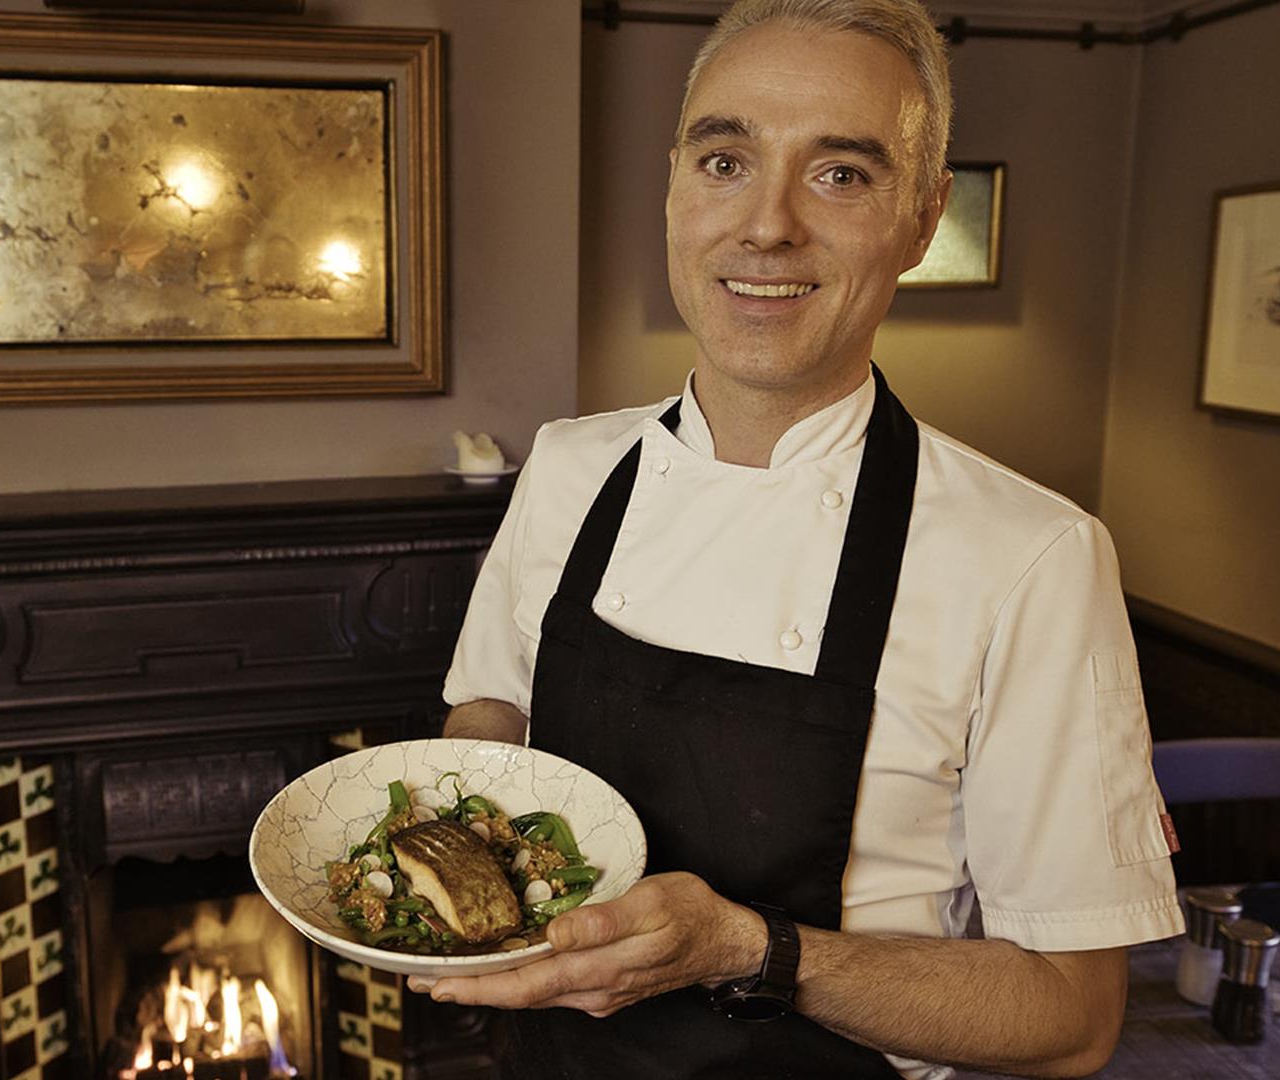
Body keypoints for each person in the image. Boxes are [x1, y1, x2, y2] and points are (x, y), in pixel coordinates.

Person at [410, 1, 1184, 1077]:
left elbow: (1069, 1017)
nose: (766, 225)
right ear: (674, 189)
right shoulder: (570, 464)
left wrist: (745, 948)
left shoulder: (1034, 556)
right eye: (725, 160)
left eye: (841, 174)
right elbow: (489, 707)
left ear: (920, 219)